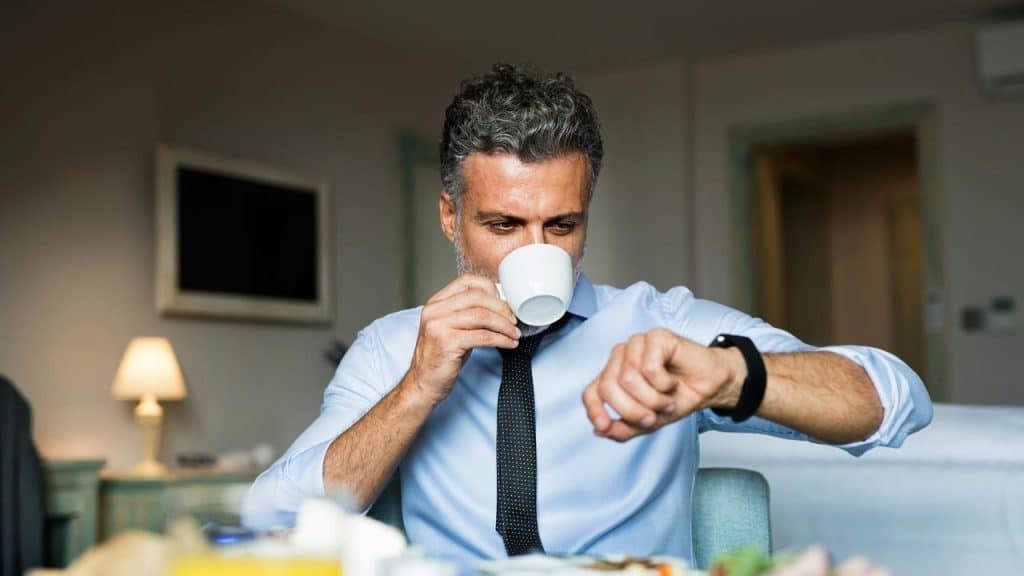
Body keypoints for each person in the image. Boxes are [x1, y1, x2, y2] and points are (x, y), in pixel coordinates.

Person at [243, 64, 932, 564]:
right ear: (451, 216)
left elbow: (896, 399)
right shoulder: (393, 348)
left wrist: (728, 376)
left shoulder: (661, 328)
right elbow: (266, 523)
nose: (539, 251)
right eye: (504, 225)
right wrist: (417, 388)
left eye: (563, 224)